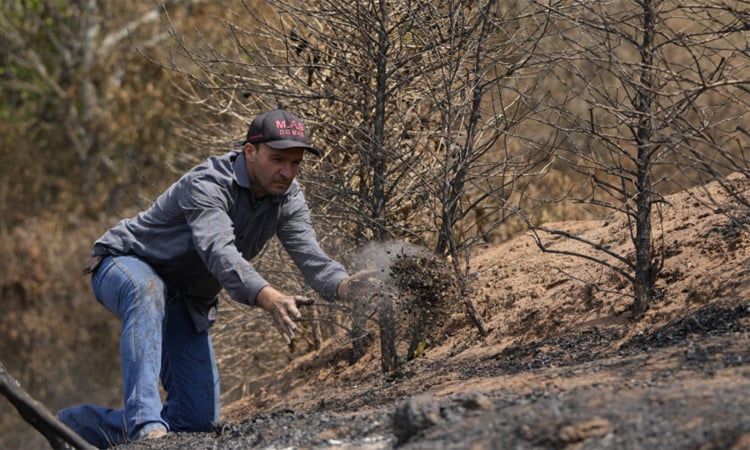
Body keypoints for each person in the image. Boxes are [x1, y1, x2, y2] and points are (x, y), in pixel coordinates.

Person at [57, 109, 362, 448]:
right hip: (124, 264)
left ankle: (76, 427)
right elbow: (218, 250)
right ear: (250, 151)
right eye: (277, 160)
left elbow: (311, 257)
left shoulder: (287, 196)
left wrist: (347, 286)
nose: (286, 172)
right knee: (148, 288)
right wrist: (268, 296)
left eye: (295, 163)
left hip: (186, 299)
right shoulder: (208, 183)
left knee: (195, 423)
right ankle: (145, 426)